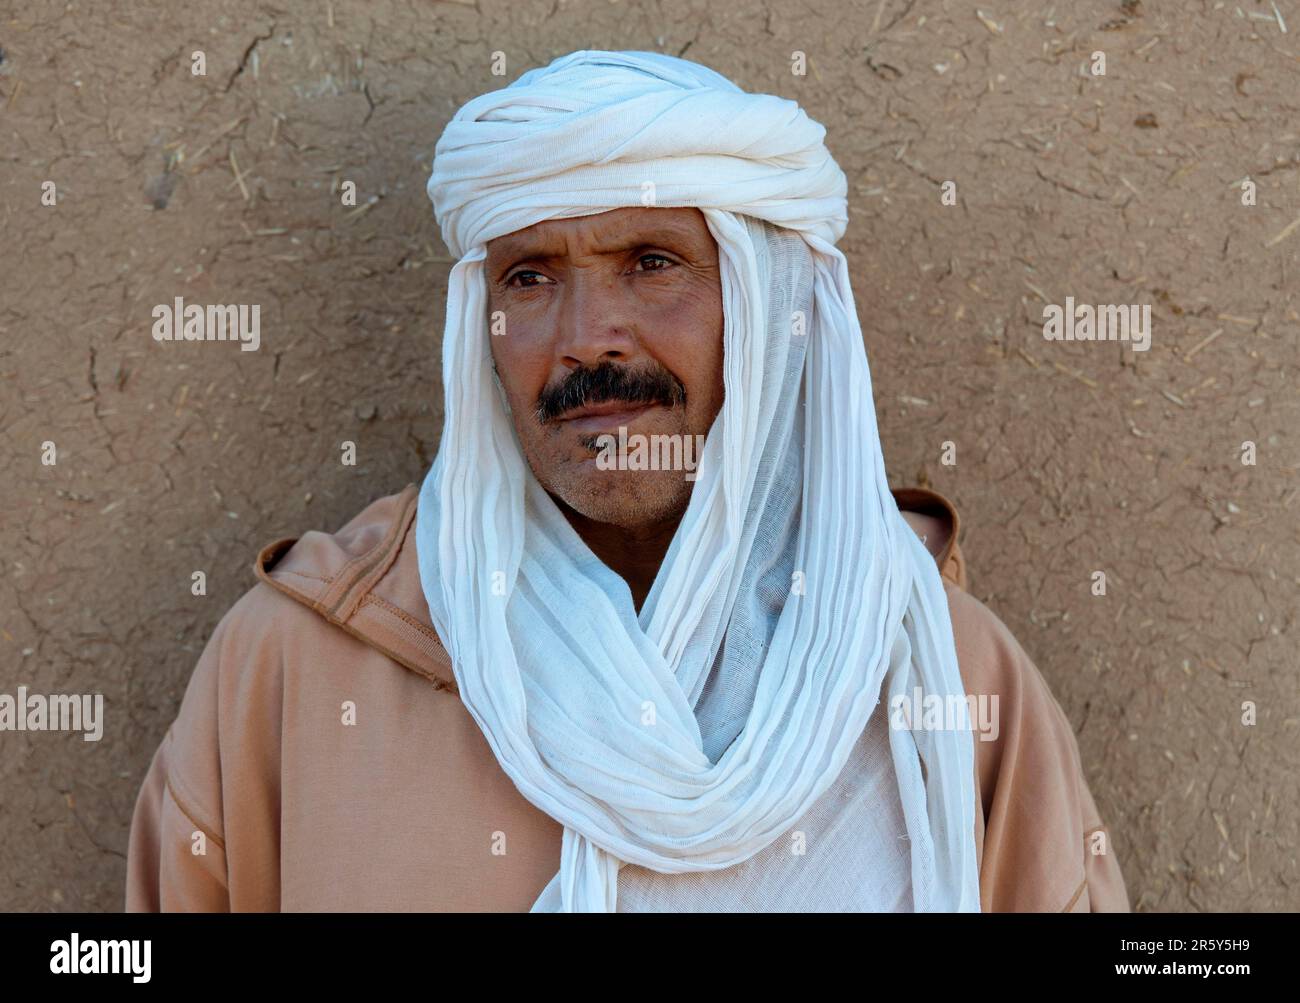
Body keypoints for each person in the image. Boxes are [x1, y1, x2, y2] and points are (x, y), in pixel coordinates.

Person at [126, 50, 1129, 912]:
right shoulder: (294, 671)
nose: (584, 341)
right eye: (529, 278)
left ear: (769, 309)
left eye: (652, 262)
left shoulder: (938, 674)